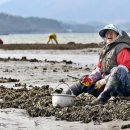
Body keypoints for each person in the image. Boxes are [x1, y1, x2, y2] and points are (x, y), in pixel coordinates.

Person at [66, 24, 130, 105]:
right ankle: (65, 96)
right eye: (107, 33)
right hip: (110, 89)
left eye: (112, 32)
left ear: (118, 35)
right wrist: (90, 79)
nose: (108, 35)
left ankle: (101, 100)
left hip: (125, 88)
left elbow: (123, 70)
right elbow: (99, 70)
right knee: (84, 80)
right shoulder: (104, 50)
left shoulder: (122, 49)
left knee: (118, 70)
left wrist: (104, 80)